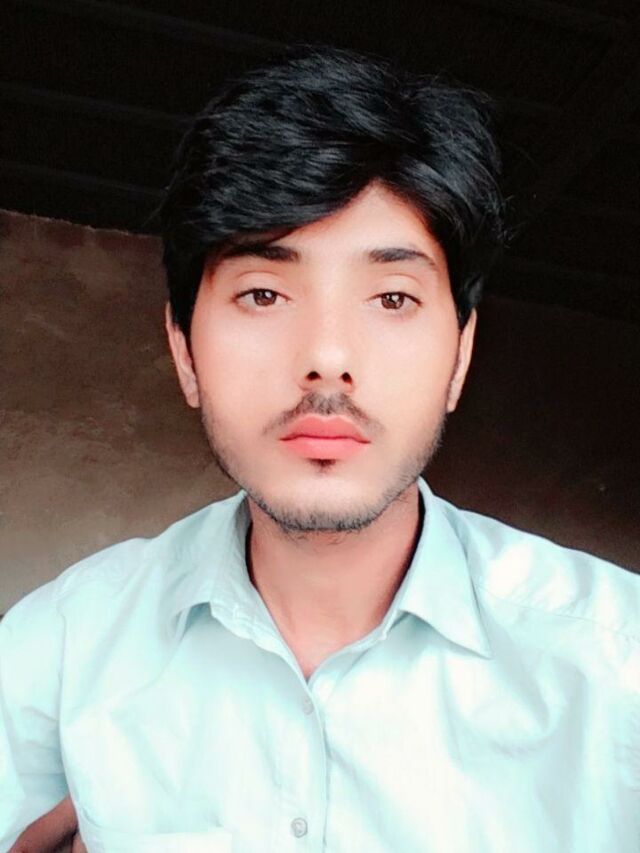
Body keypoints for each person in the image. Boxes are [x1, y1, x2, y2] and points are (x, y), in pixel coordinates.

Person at [1, 45, 638, 853]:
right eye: (264, 293)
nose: (328, 357)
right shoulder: (57, 652)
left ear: (460, 355)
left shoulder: (617, 664)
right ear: (184, 349)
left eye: (393, 297)